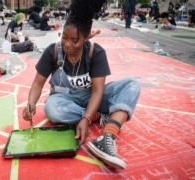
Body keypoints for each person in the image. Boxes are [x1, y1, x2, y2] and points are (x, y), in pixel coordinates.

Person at [22, 0, 141, 169]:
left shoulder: (96, 53)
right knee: (53, 109)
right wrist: (31, 104)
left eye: (74, 40)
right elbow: (37, 83)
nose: (68, 44)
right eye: (64, 37)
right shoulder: (53, 51)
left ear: (86, 38)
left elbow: (98, 91)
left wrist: (84, 118)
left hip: (92, 97)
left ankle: (106, 137)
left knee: (132, 85)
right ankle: (98, 116)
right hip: (64, 99)